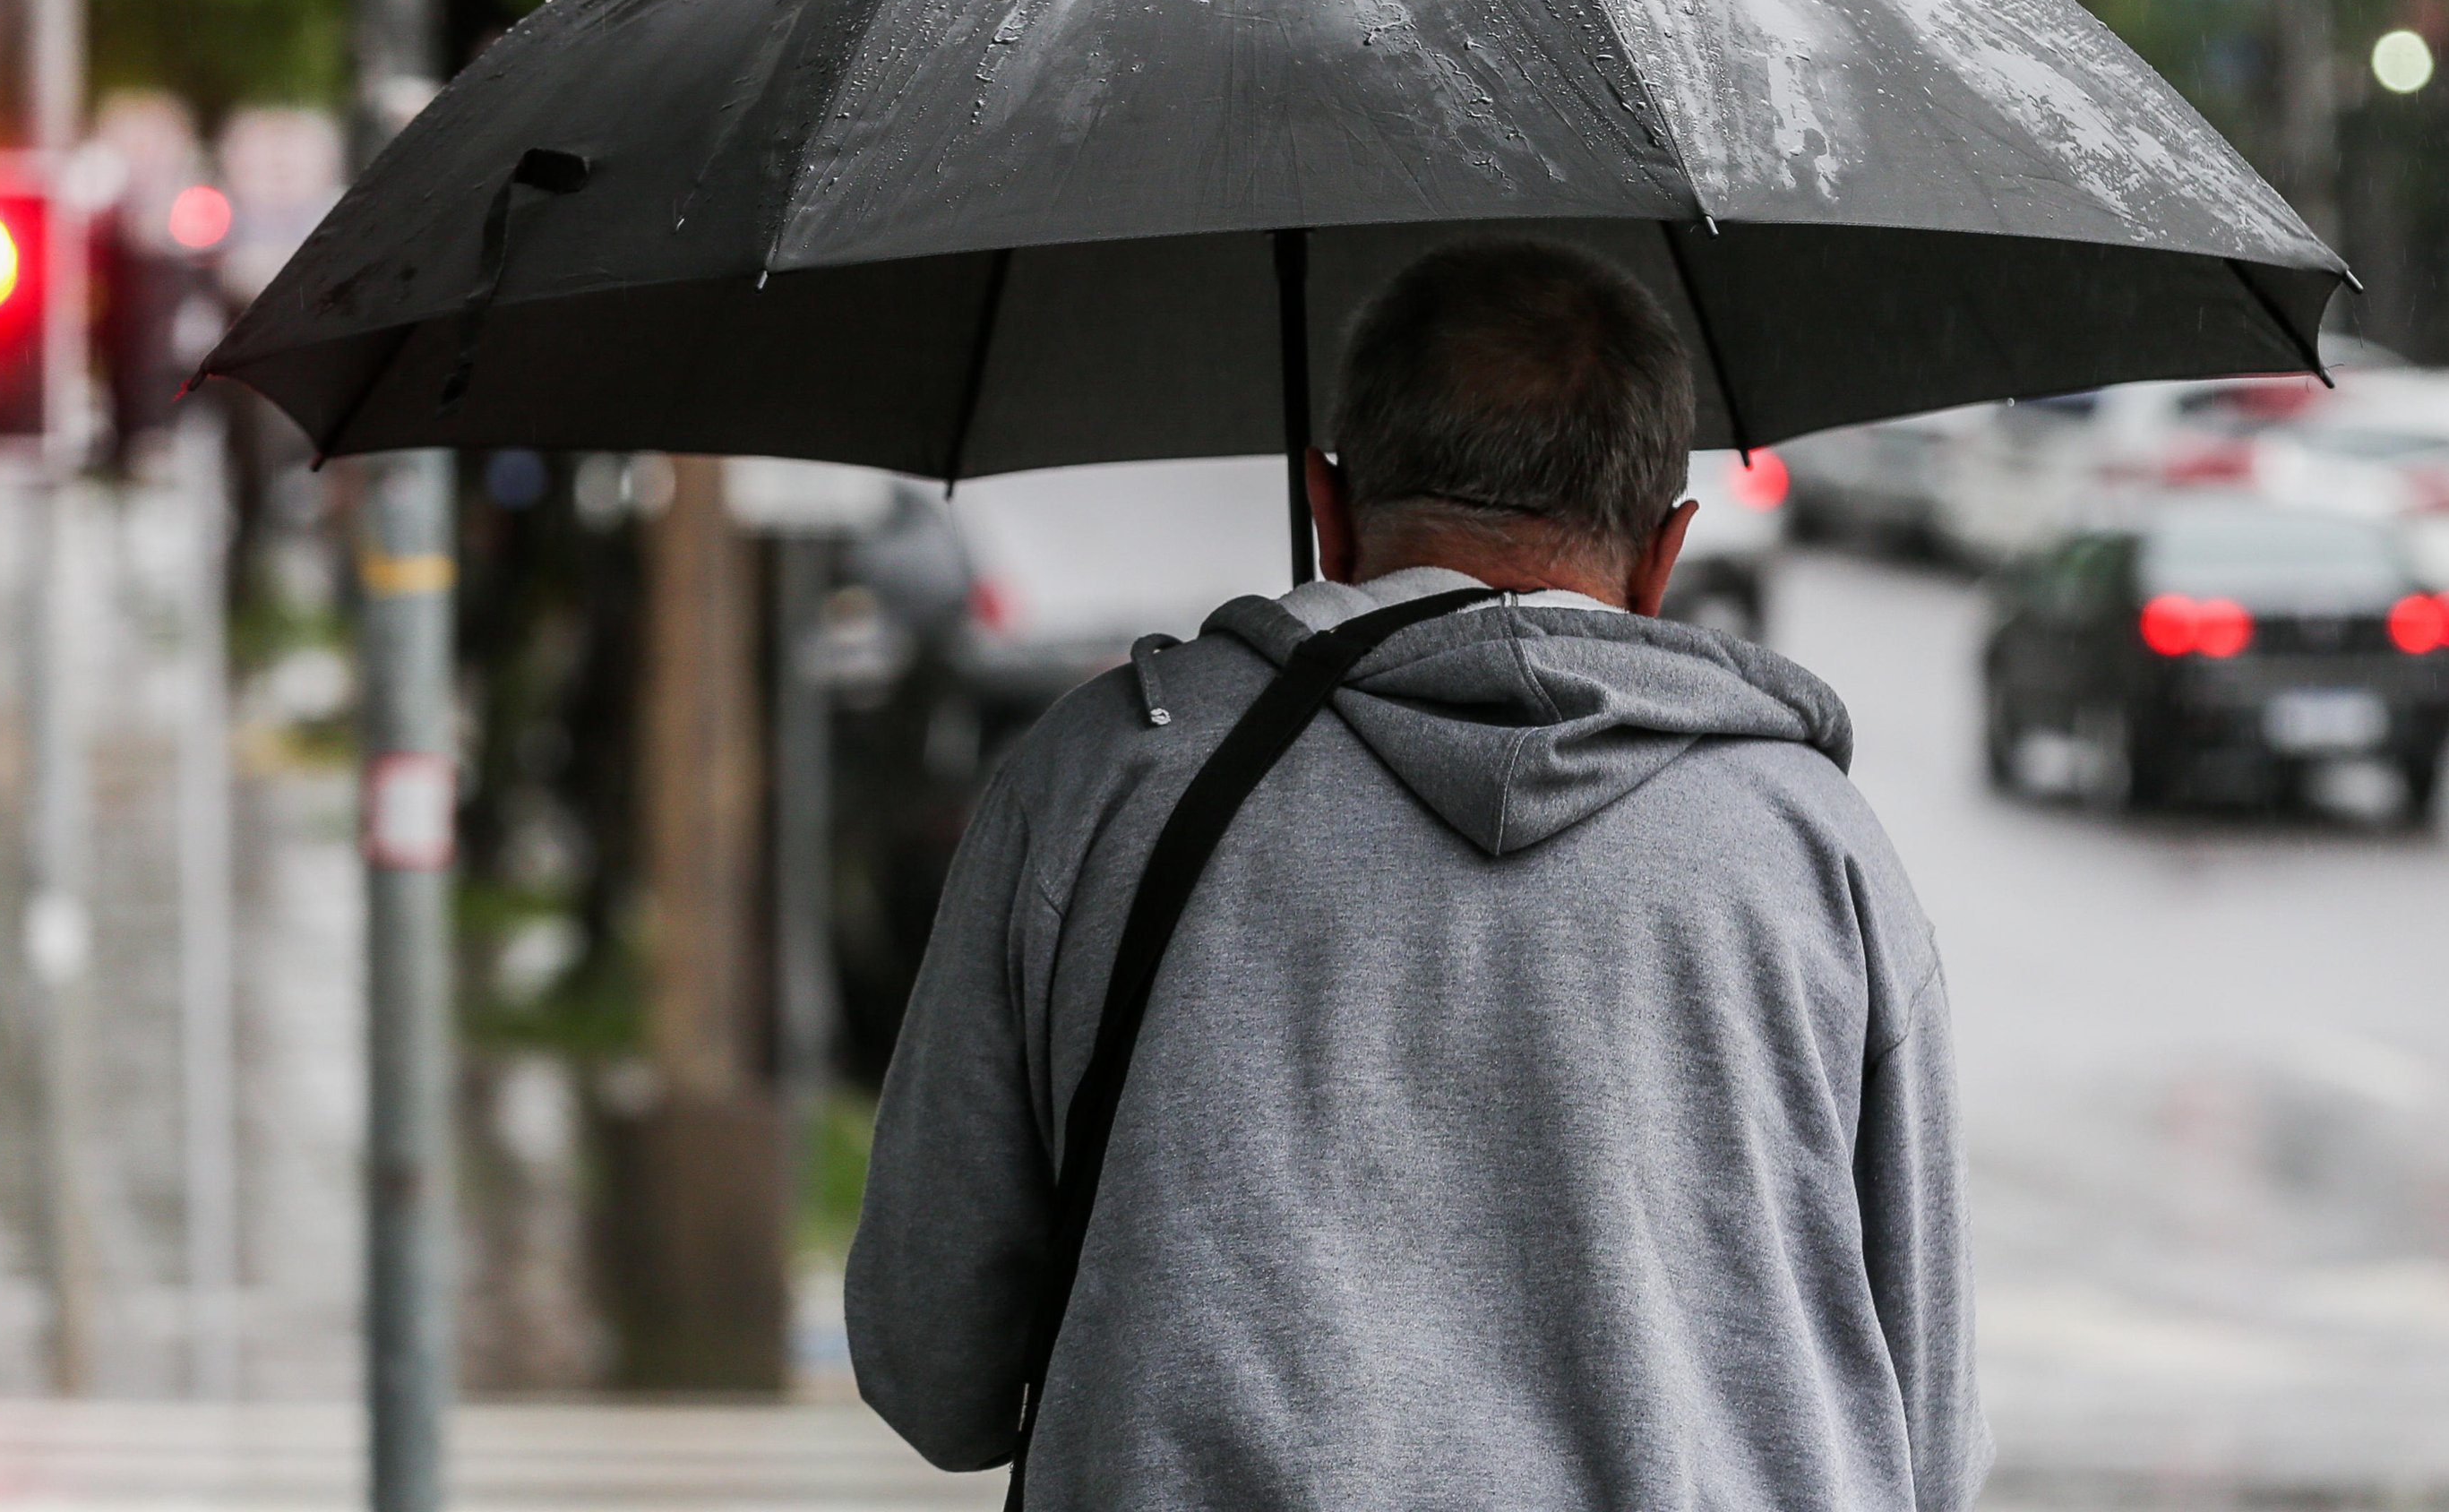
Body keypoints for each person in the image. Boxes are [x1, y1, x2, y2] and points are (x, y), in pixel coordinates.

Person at [847, 239, 1988, 1510]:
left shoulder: (1105, 785)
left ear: (1328, 508)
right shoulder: (1812, 850)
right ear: (1664, 557)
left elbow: (931, 1371)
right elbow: (1924, 1445)